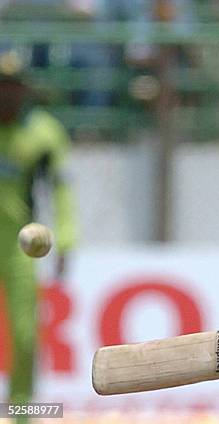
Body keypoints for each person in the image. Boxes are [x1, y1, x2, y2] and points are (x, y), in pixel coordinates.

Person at [0, 50, 77, 420]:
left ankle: (19, 413)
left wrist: (66, 238)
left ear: (24, 88)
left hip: (19, 247)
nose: (6, 94)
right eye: (1, 85)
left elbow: (61, 190)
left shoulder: (44, 132)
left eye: (13, 85)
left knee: (26, 336)